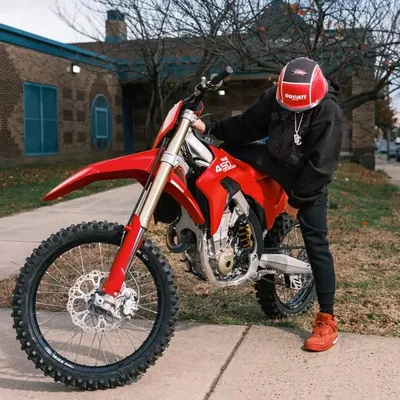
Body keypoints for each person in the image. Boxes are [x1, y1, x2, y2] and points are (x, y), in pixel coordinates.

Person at [193, 57, 344, 352]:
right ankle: (248, 223)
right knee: (227, 152)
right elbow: (247, 126)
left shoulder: (329, 112)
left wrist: (297, 201)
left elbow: (321, 167)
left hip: (307, 177)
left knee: (316, 241)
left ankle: (327, 319)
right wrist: (210, 128)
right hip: (275, 159)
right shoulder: (275, 96)